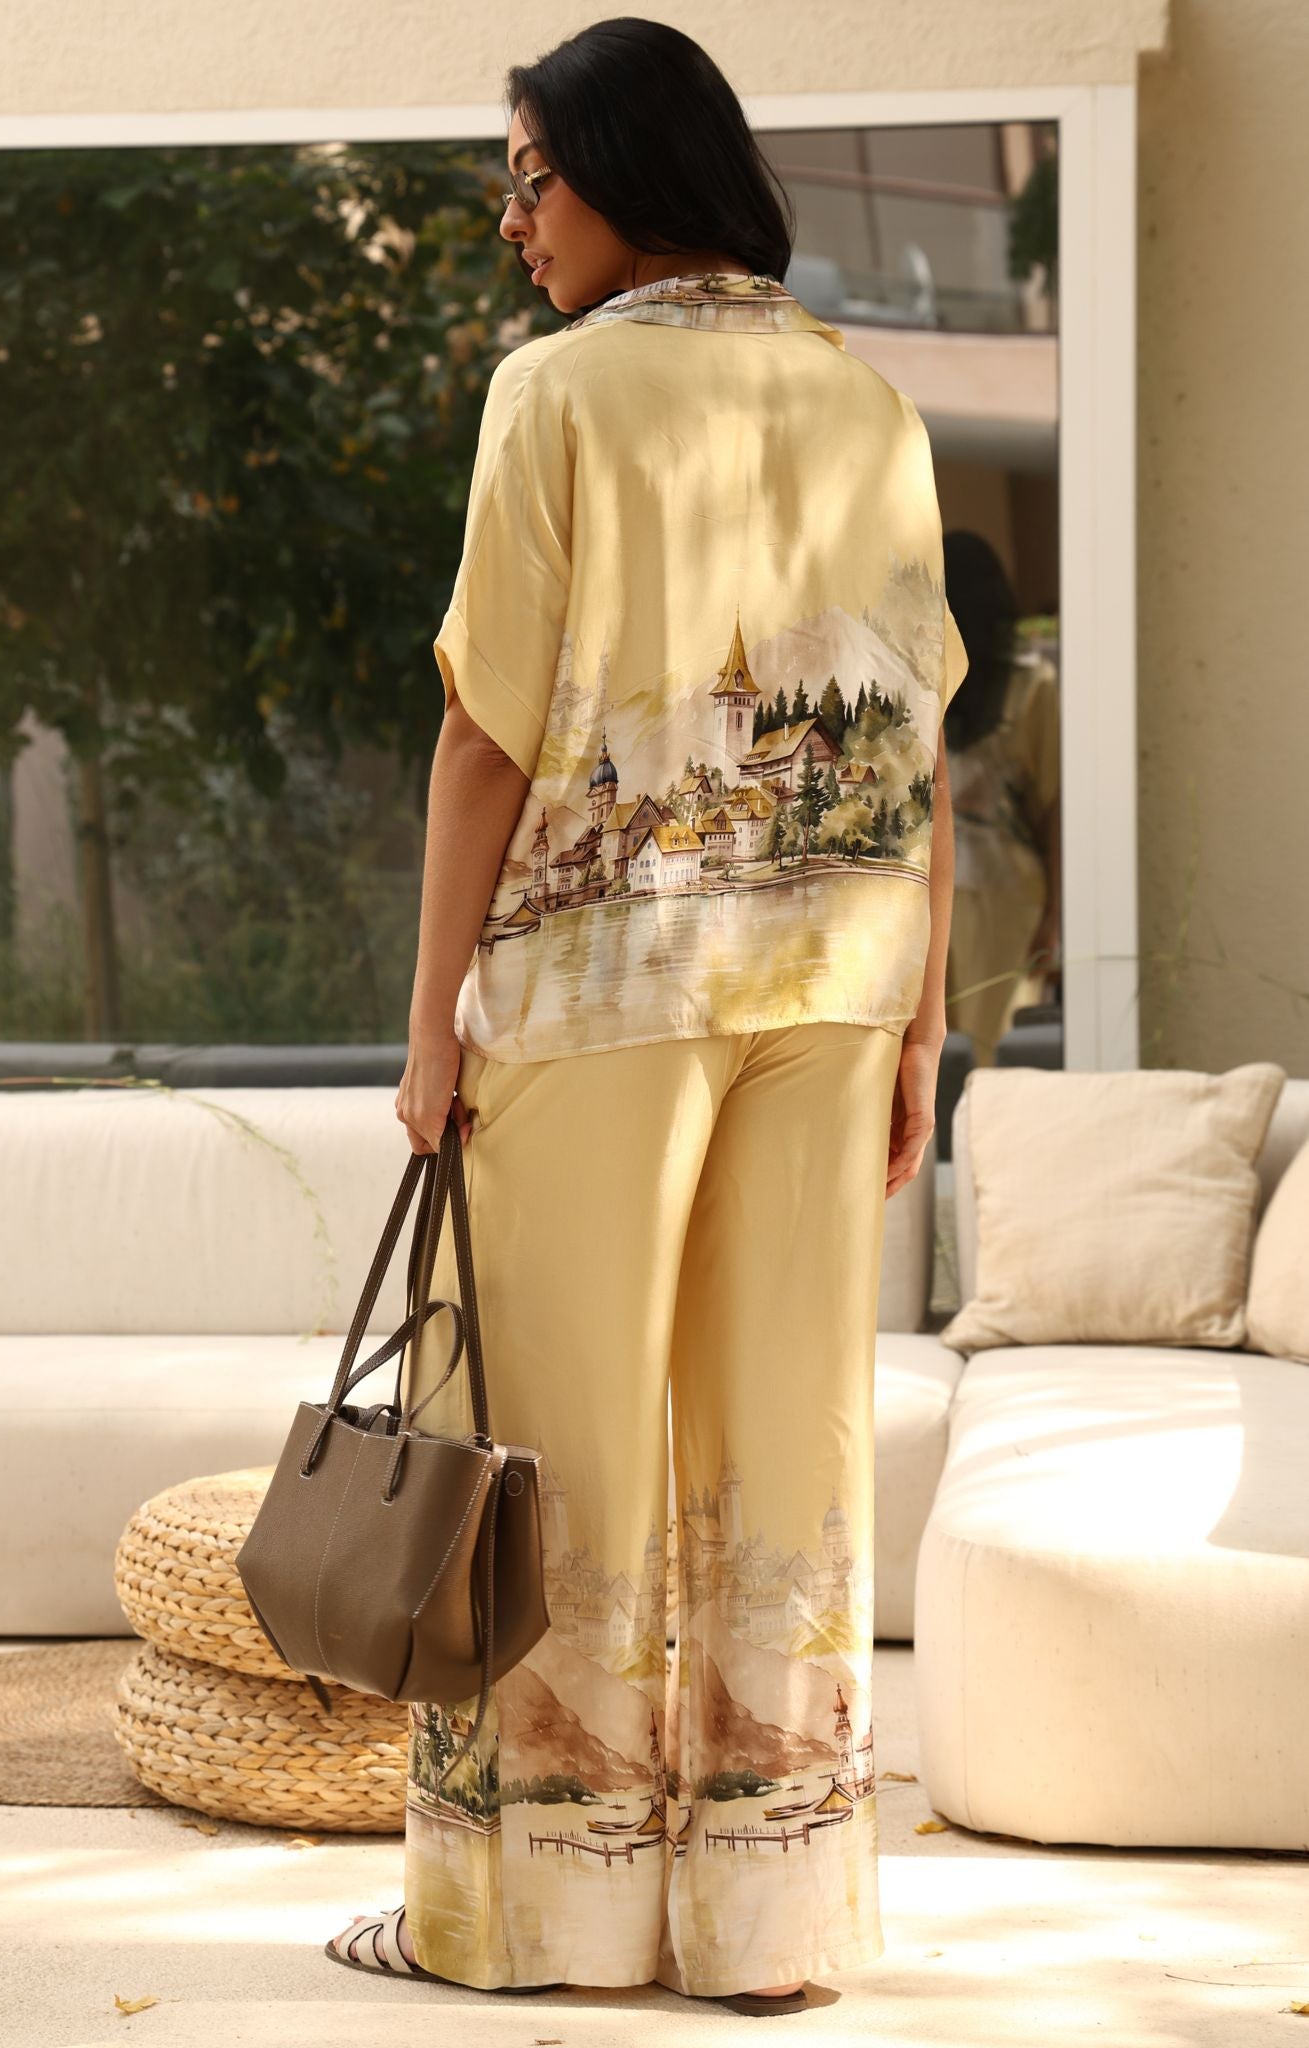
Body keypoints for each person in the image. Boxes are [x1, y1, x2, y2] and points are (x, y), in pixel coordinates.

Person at [326, 17, 967, 2017]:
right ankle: (767, 1929)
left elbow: (481, 737)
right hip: (835, 981)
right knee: (793, 1447)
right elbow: (909, 739)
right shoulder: (865, 398)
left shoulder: (557, 395)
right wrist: (924, 1038)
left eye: (528, 176)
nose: (510, 221)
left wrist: (431, 1023)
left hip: (610, 986)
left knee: (553, 1443)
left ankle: (533, 1918)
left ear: (624, 169)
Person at [941, 531, 1061, 1066]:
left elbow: (1056, 808)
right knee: (950, 1056)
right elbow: (1056, 810)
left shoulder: (1032, 686)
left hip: (1001, 901)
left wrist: (1056, 917)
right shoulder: (921, 684)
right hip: (968, 894)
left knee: (983, 1054)